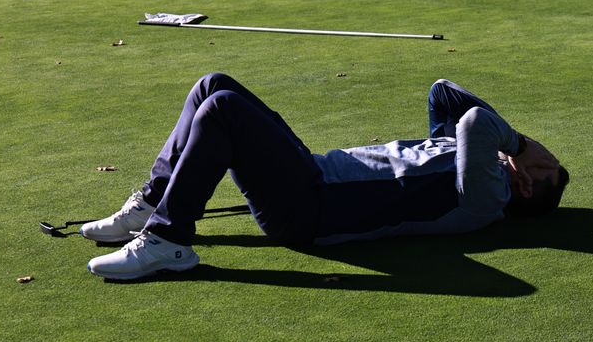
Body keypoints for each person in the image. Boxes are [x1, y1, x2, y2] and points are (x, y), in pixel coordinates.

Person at [83, 72, 568, 280]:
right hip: (306, 174)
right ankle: (153, 204)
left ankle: (169, 243)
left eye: (543, 167)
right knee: (213, 85)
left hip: (309, 211)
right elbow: (445, 95)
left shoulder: (486, 197)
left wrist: (523, 147)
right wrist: (520, 149)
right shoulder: (468, 154)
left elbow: (475, 122)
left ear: (526, 184)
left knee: (223, 111)